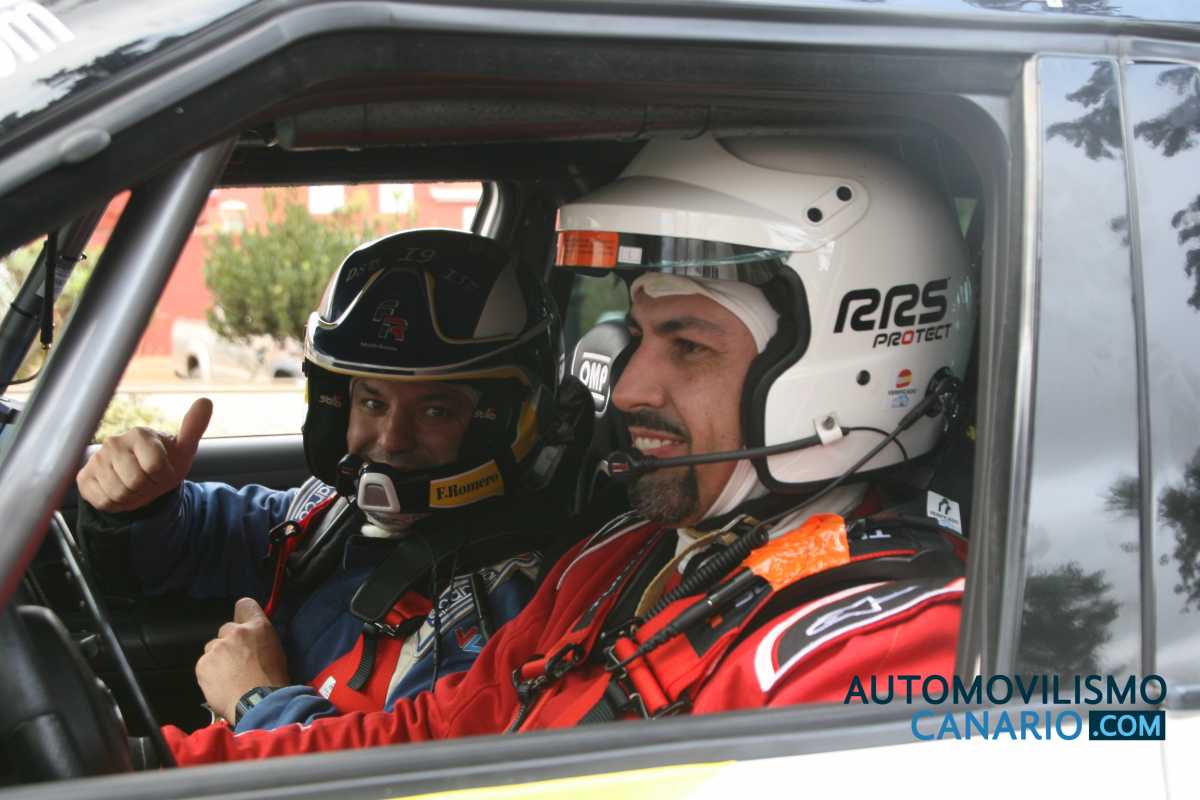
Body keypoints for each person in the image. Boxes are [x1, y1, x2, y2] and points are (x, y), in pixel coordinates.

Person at [161, 134, 975, 764]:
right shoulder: (622, 555)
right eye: (638, 335)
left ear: (846, 367)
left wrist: (259, 710)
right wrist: (149, 767)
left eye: (689, 346)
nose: (629, 388)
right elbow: (432, 739)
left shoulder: (883, 653)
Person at [76, 228, 573, 731]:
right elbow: (205, 535)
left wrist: (257, 702)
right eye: (372, 401)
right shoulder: (331, 510)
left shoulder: (505, 603)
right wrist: (140, 501)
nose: (392, 439)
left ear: (502, 421)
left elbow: (415, 765)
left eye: (436, 410)